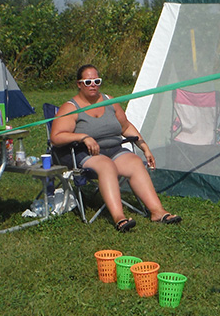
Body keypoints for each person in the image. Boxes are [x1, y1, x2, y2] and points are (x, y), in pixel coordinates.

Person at [50, 64, 181, 232]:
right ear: (79, 84)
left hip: (113, 149)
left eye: (96, 81)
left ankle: (157, 211)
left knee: (134, 162)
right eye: (88, 81)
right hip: (83, 153)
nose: (93, 85)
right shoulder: (71, 107)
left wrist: (144, 148)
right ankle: (120, 218)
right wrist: (83, 137)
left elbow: (126, 127)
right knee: (106, 166)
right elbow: (56, 137)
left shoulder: (109, 101)